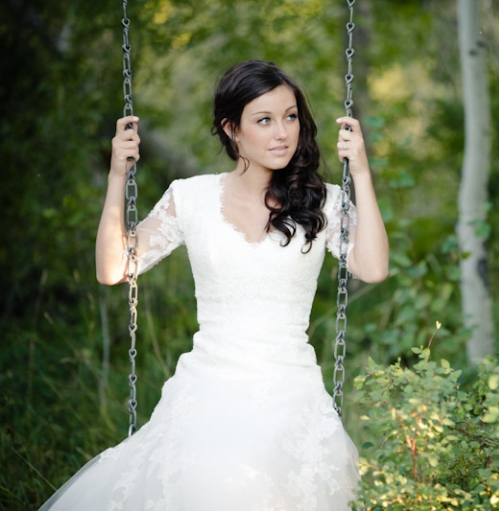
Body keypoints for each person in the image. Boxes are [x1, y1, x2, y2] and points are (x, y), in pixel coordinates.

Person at [40, 60, 388, 511]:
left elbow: (373, 267)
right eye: (264, 120)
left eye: (290, 117)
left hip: (290, 394)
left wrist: (360, 172)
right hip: (206, 391)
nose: (283, 132)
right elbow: (113, 268)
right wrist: (116, 177)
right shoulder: (191, 197)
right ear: (232, 130)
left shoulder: (320, 201)